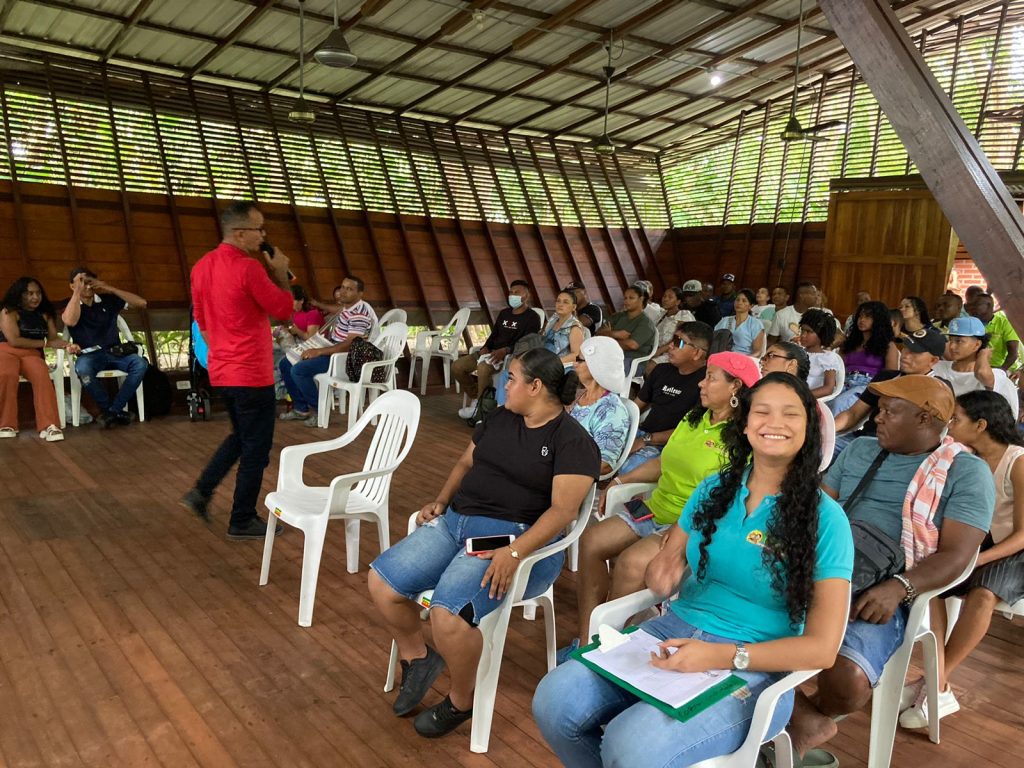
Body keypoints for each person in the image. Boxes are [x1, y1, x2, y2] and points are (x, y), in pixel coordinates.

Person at [534, 372, 854, 767]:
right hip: (676, 630)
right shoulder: (715, 489)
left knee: (629, 745)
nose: (774, 423)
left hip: (755, 664)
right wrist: (669, 560)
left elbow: (822, 648)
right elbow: (663, 574)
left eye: (790, 414)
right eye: (762, 411)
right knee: (554, 700)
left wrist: (721, 655)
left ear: (809, 430)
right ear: (745, 423)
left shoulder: (826, 519)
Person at [369, 348, 599, 738]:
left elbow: (563, 512)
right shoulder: (501, 418)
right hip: (455, 524)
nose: (503, 384)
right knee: (382, 583)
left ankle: (462, 701)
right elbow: (466, 463)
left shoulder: (572, 441)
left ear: (535, 386)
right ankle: (418, 658)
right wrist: (441, 501)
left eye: (511, 378)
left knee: (448, 615)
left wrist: (515, 551)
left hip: (512, 541)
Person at [787, 375, 993, 764]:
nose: (877, 418)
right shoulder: (860, 449)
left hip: (889, 586)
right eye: (879, 410)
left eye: (889, 411)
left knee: (848, 680)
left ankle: (794, 717)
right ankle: (799, 721)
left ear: (925, 418)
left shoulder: (965, 472)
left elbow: (957, 555)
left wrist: (899, 587)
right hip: (824, 563)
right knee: (730, 621)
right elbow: (817, 510)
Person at [561, 351, 760, 662]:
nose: (701, 384)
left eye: (710, 378)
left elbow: (733, 498)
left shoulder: (744, 439)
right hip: (655, 508)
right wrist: (621, 480)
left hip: (690, 524)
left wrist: (684, 530)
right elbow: (663, 462)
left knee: (630, 563)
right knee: (592, 541)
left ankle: (606, 648)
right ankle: (589, 637)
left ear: (735, 386)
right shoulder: (694, 419)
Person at [898, 391, 1024, 729]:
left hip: (1016, 550)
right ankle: (937, 685)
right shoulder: (962, 457)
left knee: (983, 594)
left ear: (981, 425)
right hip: (983, 544)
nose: (949, 425)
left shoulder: (1017, 461)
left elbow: (1022, 535)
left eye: (956, 419)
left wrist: (976, 559)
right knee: (934, 581)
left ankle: (936, 680)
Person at [180, 201, 294, 540]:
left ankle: (201, 491)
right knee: (256, 449)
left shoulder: (201, 267)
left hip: (222, 370)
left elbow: (200, 319)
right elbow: (284, 309)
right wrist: (281, 273)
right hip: (251, 373)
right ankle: (242, 519)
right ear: (240, 233)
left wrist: (222, 348)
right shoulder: (248, 269)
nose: (263, 236)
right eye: (259, 229)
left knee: (241, 437)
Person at [832, 326, 947, 459]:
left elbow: (931, 435)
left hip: (901, 452)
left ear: (933, 360)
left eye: (915, 352)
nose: (906, 355)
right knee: (818, 446)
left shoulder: (939, 390)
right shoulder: (886, 377)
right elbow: (853, 414)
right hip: (864, 440)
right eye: (906, 348)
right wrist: (826, 431)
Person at [278, 276, 377, 426]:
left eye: (349, 289)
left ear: (360, 294)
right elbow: (337, 310)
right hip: (333, 350)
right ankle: (301, 409)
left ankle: (321, 411)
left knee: (298, 370)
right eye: (343, 287)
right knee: (285, 363)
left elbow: (350, 344)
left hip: (343, 357)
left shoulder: (359, 314)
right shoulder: (348, 307)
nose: (343, 292)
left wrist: (319, 351)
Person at [619, 321, 712, 474]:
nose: (670, 346)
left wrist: (646, 440)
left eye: (678, 342)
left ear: (697, 353)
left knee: (629, 469)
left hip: (671, 444)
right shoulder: (661, 370)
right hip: (643, 432)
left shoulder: (706, 384)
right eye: (672, 340)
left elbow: (690, 431)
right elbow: (636, 407)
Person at [61, 267, 149, 428]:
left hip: (115, 352)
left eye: (89, 282)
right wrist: (77, 292)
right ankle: (113, 410)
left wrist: (109, 288)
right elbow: (69, 321)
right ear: (72, 286)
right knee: (83, 370)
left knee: (140, 364)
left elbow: (142, 303)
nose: (86, 286)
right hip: (89, 356)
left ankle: (111, 412)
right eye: (80, 282)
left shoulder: (108, 300)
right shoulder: (70, 304)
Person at [0, 277, 78, 441]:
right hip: (6, 351)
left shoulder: (45, 314)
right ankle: (6, 424)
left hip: (31, 353)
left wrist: (68, 345)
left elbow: (53, 339)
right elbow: (14, 340)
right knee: (7, 374)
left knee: (42, 375)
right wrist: (46, 344)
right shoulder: (8, 311)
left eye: (38, 293)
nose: (35, 297)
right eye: (30, 294)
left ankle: (50, 426)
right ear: (20, 295)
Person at [453, 279, 541, 418]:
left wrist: (506, 350)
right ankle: (477, 398)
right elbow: (494, 334)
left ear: (526, 296)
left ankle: (481, 409)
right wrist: (486, 347)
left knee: (483, 368)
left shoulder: (532, 318)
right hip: (490, 352)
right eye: (511, 292)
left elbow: (527, 343)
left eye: (517, 292)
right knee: (457, 366)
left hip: (508, 356)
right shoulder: (504, 313)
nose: (512, 295)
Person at [933, 316, 1019, 419]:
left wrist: (983, 355)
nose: (951, 346)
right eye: (950, 340)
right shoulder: (938, 367)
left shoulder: (996, 375)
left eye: (959, 341)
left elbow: (982, 373)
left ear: (977, 344)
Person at [569, 337, 631, 476]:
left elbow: (604, 464)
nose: (574, 364)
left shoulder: (612, 410)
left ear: (597, 366)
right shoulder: (578, 394)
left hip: (570, 475)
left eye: (579, 359)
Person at [829, 301, 899, 415]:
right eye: (860, 316)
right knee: (823, 404)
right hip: (844, 382)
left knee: (839, 404)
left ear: (878, 320)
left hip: (869, 386)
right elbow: (837, 367)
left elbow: (891, 376)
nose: (862, 320)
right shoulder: (849, 343)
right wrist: (832, 346)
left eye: (867, 317)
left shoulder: (888, 345)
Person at [597, 285, 657, 376]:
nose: (626, 301)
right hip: (611, 356)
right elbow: (598, 335)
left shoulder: (646, 323)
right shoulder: (617, 316)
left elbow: (632, 345)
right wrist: (614, 334)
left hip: (633, 361)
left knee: (605, 368)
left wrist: (607, 337)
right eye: (625, 298)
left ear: (641, 299)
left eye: (631, 298)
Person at [646, 287, 694, 373]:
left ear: (678, 302)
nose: (665, 299)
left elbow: (679, 339)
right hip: (656, 349)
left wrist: (657, 352)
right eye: (664, 296)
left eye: (670, 297)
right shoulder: (661, 315)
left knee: (650, 366)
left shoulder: (683, 315)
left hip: (674, 351)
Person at [798, 309, 843, 399]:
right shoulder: (796, 351)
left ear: (821, 334)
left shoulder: (828, 358)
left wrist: (801, 397)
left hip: (810, 399)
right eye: (802, 330)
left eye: (809, 331)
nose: (803, 335)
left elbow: (828, 389)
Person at [967, 293, 1020, 371]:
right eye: (971, 305)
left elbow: (1013, 353)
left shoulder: (1004, 323)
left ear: (988, 306)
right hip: (977, 366)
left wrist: (1001, 371)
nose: (972, 308)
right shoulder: (971, 322)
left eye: (976, 305)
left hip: (1002, 367)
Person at [714, 288, 766, 357]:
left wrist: (744, 360)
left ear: (751, 306)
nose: (739, 303)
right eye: (737, 300)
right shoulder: (725, 320)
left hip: (744, 359)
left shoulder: (756, 324)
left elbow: (758, 352)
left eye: (744, 301)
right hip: (722, 357)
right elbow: (714, 341)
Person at [542, 289, 585, 365]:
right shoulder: (552, 320)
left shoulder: (575, 327)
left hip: (560, 365)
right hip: (543, 359)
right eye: (558, 301)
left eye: (565, 302)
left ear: (574, 307)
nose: (560, 304)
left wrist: (553, 363)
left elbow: (576, 355)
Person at [767, 281, 818, 345]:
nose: (816, 297)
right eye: (813, 293)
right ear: (802, 296)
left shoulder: (819, 315)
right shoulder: (781, 315)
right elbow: (771, 341)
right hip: (789, 350)